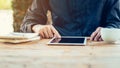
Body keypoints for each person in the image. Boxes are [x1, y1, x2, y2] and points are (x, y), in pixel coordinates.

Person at [21, 0, 120, 41]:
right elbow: (28, 22)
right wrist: (38, 27)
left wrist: (107, 31)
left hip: (98, 47)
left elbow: (116, 22)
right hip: (58, 47)